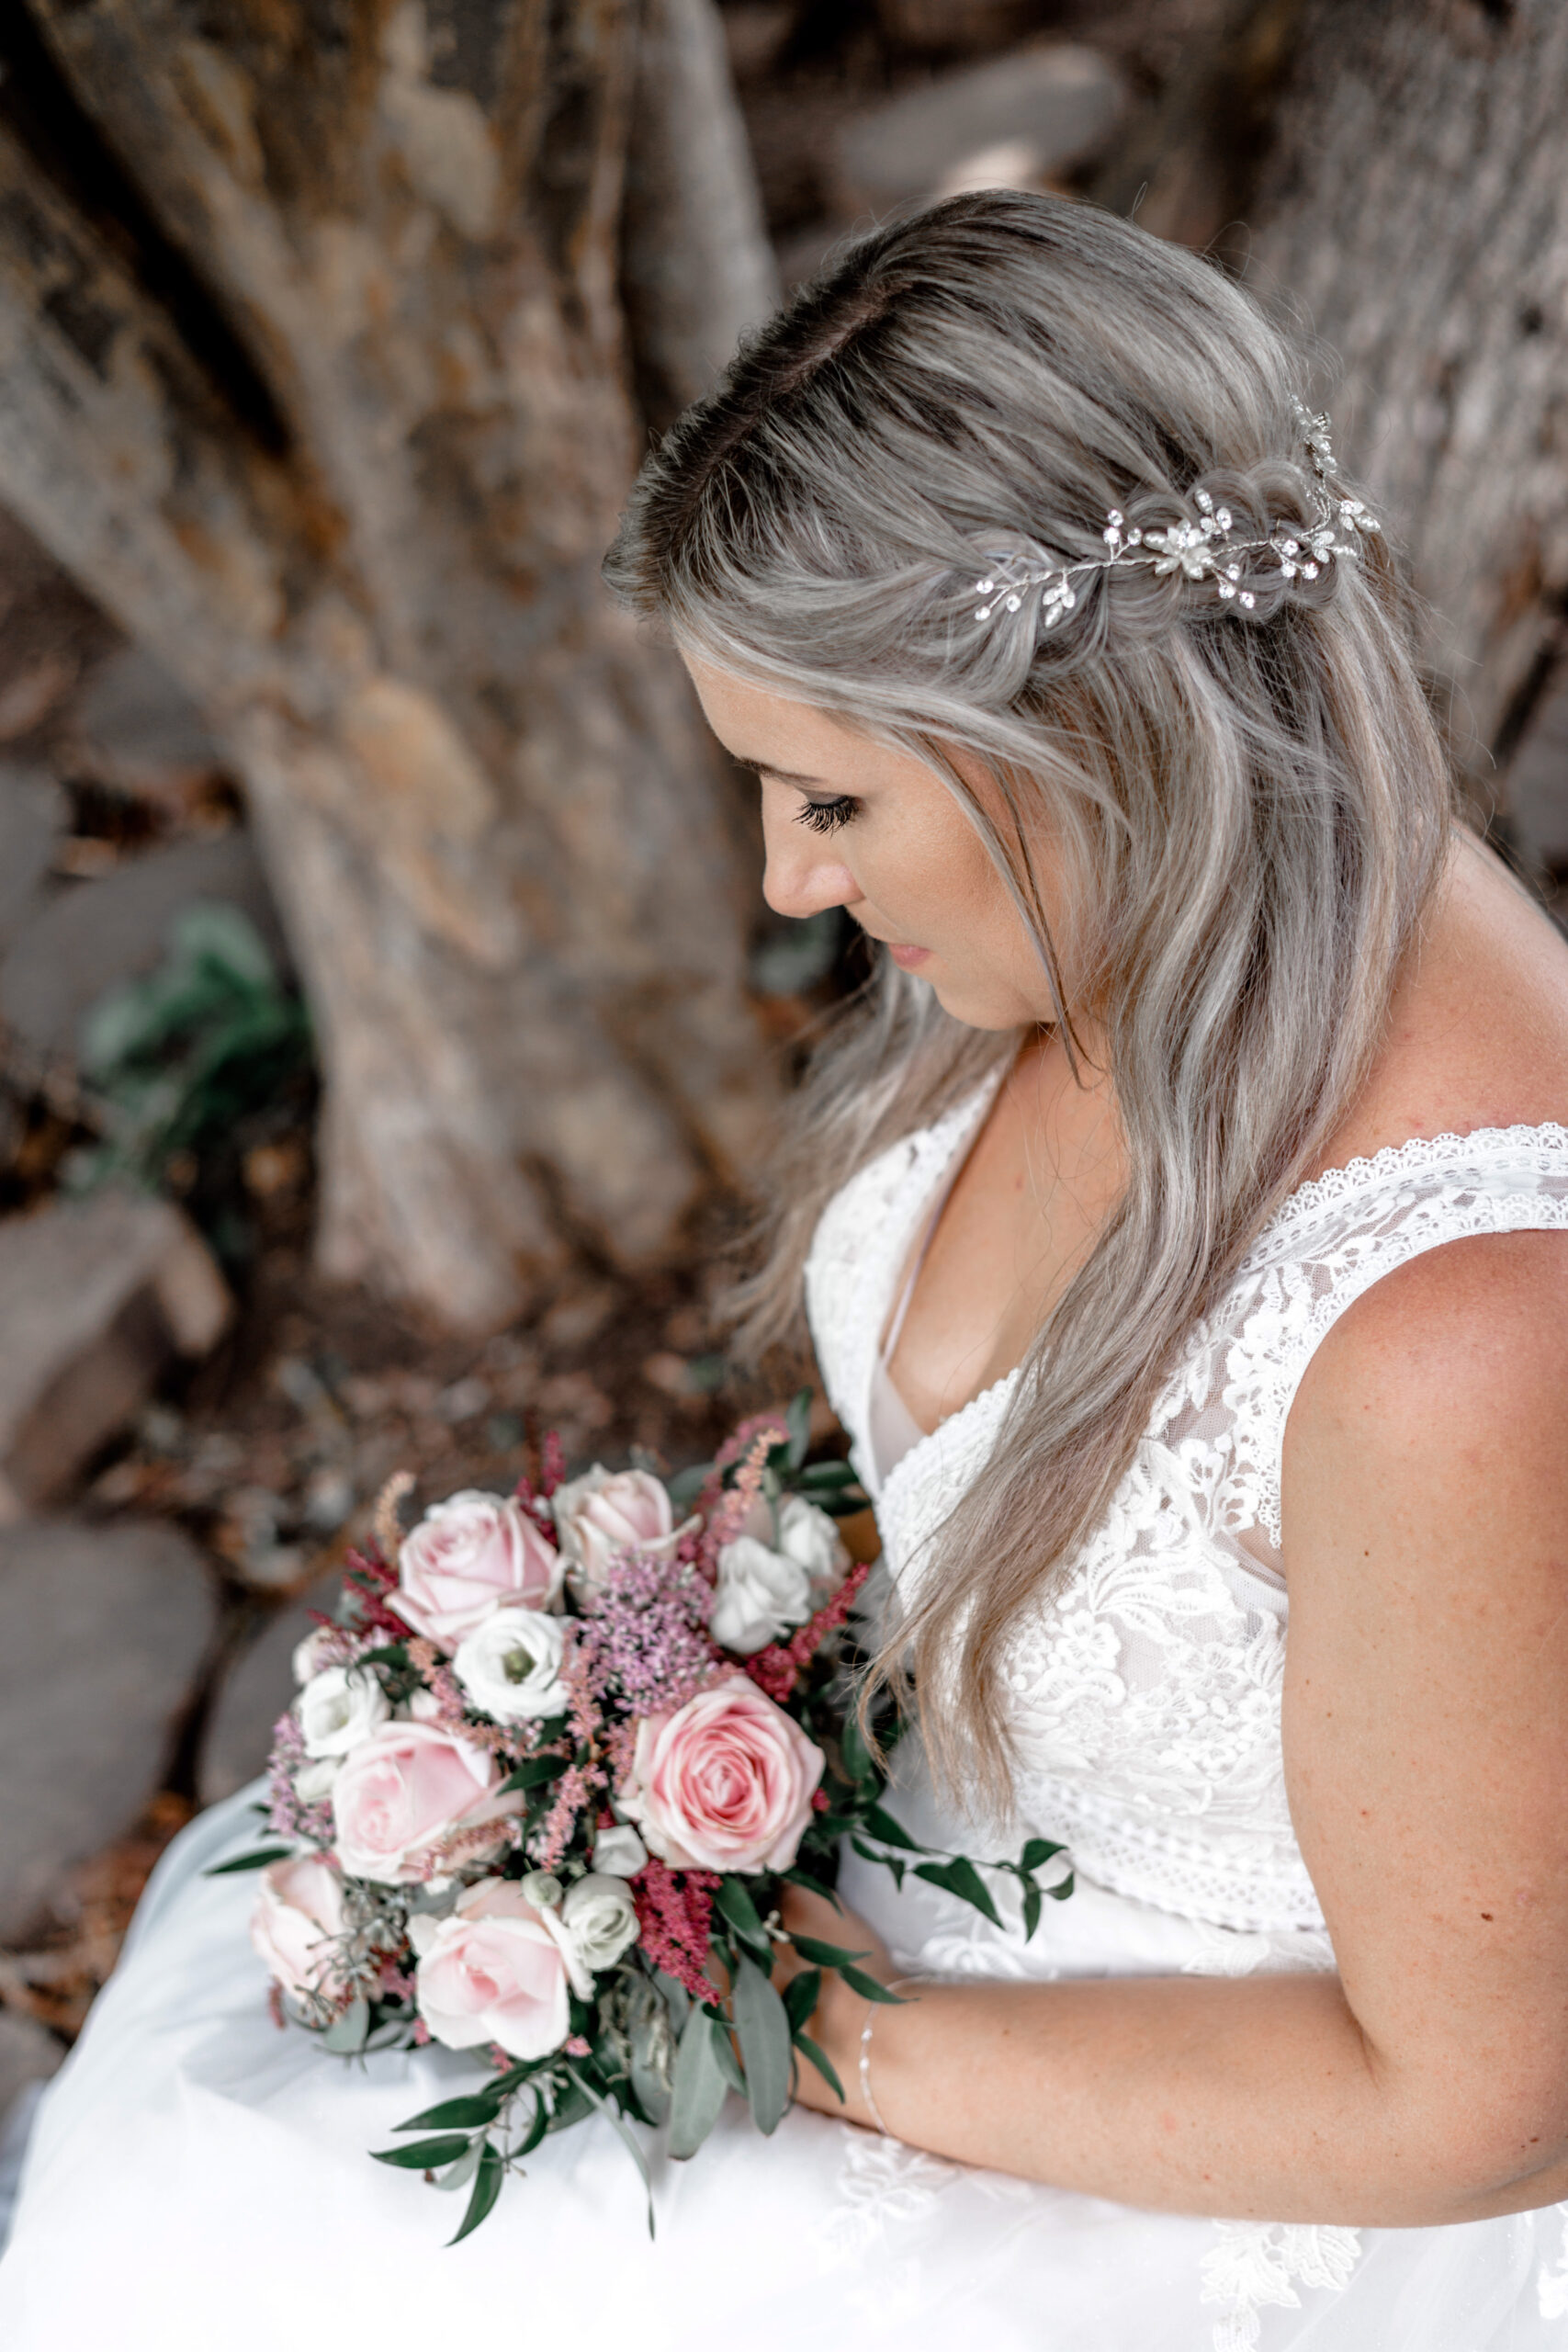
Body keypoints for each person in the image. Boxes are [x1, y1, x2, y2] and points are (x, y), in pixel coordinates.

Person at [4, 189, 1566, 2349]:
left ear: (1083, 744)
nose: (782, 875)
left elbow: (1484, 2103)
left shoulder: (1455, 1330)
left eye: (823, 798)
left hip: (1203, 2174)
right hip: (904, 1878)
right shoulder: (1162, 900)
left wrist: (807, 2025)